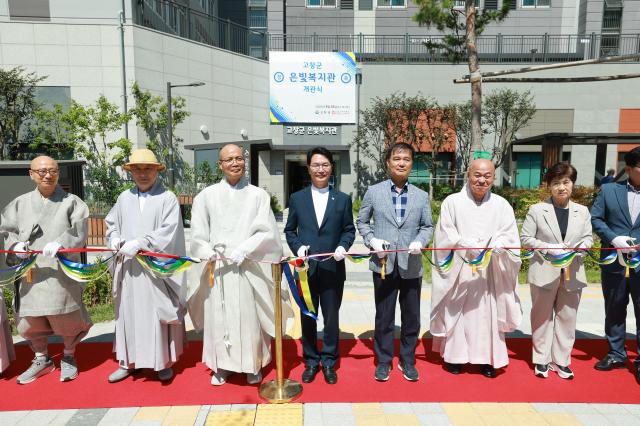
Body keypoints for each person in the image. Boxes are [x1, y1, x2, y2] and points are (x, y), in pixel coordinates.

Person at [188, 144, 294, 386]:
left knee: (249, 318)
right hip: (219, 269)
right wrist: (207, 252)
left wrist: (245, 249)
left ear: (244, 161)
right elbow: (197, 233)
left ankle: (252, 364)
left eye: (239, 158)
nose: (235, 163)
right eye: (229, 159)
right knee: (220, 317)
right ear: (220, 164)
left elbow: (267, 231)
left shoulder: (258, 195)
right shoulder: (206, 196)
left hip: (248, 267)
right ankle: (221, 366)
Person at [0, 155, 91, 384]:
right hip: (31, 274)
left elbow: (79, 231)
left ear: (58, 173)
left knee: (66, 315)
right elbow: (7, 230)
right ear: (31, 174)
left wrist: (62, 243)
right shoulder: (20, 203)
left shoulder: (72, 202)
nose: (48, 175)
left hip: (58, 271)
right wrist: (15, 246)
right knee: (31, 318)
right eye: (41, 171)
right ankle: (41, 357)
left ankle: (69, 355)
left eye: (52, 170)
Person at [431, 158, 522, 379]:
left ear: (493, 177)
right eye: (477, 175)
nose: (482, 180)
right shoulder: (452, 202)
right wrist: (463, 244)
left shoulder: (501, 205)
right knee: (458, 313)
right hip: (460, 270)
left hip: (489, 271)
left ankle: (487, 360)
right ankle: (455, 358)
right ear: (468, 175)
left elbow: (509, 235)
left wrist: (500, 246)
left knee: (485, 317)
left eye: (487, 176)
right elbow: (445, 233)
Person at [105, 149, 186, 383]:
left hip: (155, 270)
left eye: (148, 168)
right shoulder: (123, 198)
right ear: (130, 172)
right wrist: (114, 238)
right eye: (137, 169)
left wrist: (141, 243)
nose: (143, 174)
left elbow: (169, 232)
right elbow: (111, 224)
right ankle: (127, 361)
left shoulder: (167, 198)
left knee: (156, 314)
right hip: (129, 270)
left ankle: (162, 363)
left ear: (157, 171)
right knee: (128, 313)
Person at [356, 142, 433, 382]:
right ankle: (384, 361)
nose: (401, 163)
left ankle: (408, 360)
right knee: (384, 315)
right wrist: (371, 241)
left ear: (412, 164)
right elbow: (362, 221)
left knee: (411, 316)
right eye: (397, 158)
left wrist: (420, 241)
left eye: (406, 159)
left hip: (411, 264)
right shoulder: (374, 191)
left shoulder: (421, 195)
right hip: (383, 263)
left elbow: (427, 226)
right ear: (388, 162)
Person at [284, 147, 356, 385]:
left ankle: (328, 361)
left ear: (331, 167)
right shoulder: (297, 198)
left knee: (332, 318)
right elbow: (289, 231)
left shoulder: (343, 199)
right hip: (305, 270)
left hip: (332, 269)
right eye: (316, 165)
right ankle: (311, 360)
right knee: (308, 317)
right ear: (309, 168)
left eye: (325, 164)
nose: (320, 169)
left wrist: (343, 247)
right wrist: (298, 248)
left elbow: (348, 230)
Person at [521, 162, 593, 379]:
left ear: (572, 184)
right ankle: (541, 359)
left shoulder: (582, 211)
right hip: (544, 271)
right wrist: (549, 247)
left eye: (566, 182)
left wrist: (582, 247)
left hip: (572, 272)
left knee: (567, 318)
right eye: (556, 183)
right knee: (541, 317)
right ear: (548, 186)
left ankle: (561, 361)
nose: (562, 187)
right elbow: (525, 239)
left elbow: (588, 238)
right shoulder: (537, 210)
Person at [591, 147, 640, 383]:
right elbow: (596, 218)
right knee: (614, 308)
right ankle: (616, 353)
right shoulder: (610, 190)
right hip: (614, 261)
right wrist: (613, 238)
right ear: (629, 168)